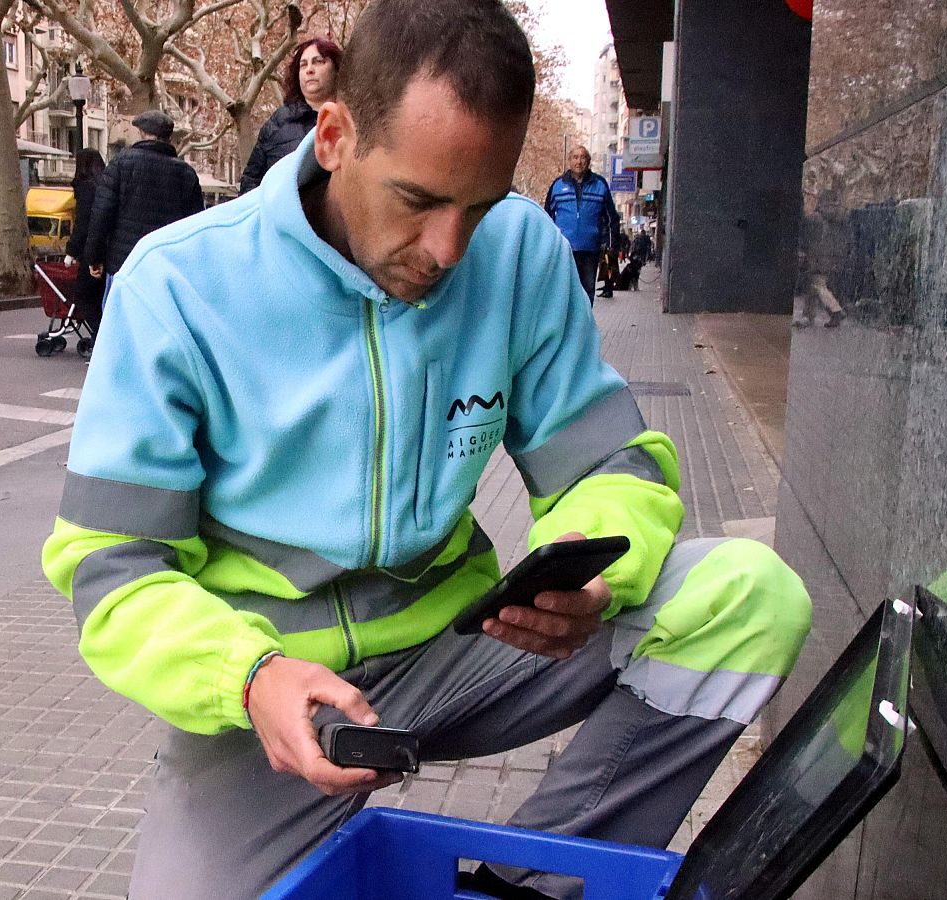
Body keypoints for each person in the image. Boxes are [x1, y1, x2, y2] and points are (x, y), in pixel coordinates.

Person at [40, 2, 813, 899]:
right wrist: (247, 678)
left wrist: (598, 580)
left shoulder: (522, 252)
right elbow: (113, 566)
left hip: (465, 644)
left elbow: (611, 467)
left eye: (479, 206)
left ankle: (523, 889)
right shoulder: (176, 287)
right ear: (333, 135)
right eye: (419, 200)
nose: (449, 249)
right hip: (277, 689)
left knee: (746, 597)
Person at [81, 109, 203, 280]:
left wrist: (94, 257)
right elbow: (195, 226)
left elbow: (101, 213)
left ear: (142, 132)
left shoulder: (120, 163)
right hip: (166, 267)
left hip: (124, 266)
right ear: (168, 137)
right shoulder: (186, 174)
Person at [240, 37, 343, 193]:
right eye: (303, 65)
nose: (309, 69)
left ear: (337, 70)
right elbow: (251, 181)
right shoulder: (279, 122)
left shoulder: (354, 121)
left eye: (318, 62)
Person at [544, 146, 622, 304]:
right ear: (569, 161)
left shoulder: (600, 185)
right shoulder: (557, 186)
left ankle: (584, 326)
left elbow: (611, 218)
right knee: (563, 291)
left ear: (588, 161)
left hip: (590, 250)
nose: (579, 162)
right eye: (575, 157)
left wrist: (611, 245)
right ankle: (566, 326)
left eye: (582, 157)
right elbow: (546, 217)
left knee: (587, 291)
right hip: (564, 249)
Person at [62, 148, 108, 339]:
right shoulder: (105, 184)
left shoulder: (85, 187)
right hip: (109, 250)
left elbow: (83, 223)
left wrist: (71, 252)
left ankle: (100, 341)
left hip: (92, 250)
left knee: (83, 296)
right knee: (100, 299)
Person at [794, 189, 847, 328]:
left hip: (819, 258)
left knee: (818, 284)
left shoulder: (816, 219)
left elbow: (809, 238)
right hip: (832, 257)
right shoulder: (837, 218)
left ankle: (836, 310)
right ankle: (807, 315)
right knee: (812, 286)